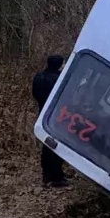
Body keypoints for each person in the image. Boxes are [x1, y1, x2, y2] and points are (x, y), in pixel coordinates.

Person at [32, 55, 69, 187]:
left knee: (46, 144)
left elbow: (35, 94)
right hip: (57, 116)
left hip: (42, 112)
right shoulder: (58, 79)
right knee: (54, 146)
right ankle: (56, 177)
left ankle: (47, 174)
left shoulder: (39, 77)